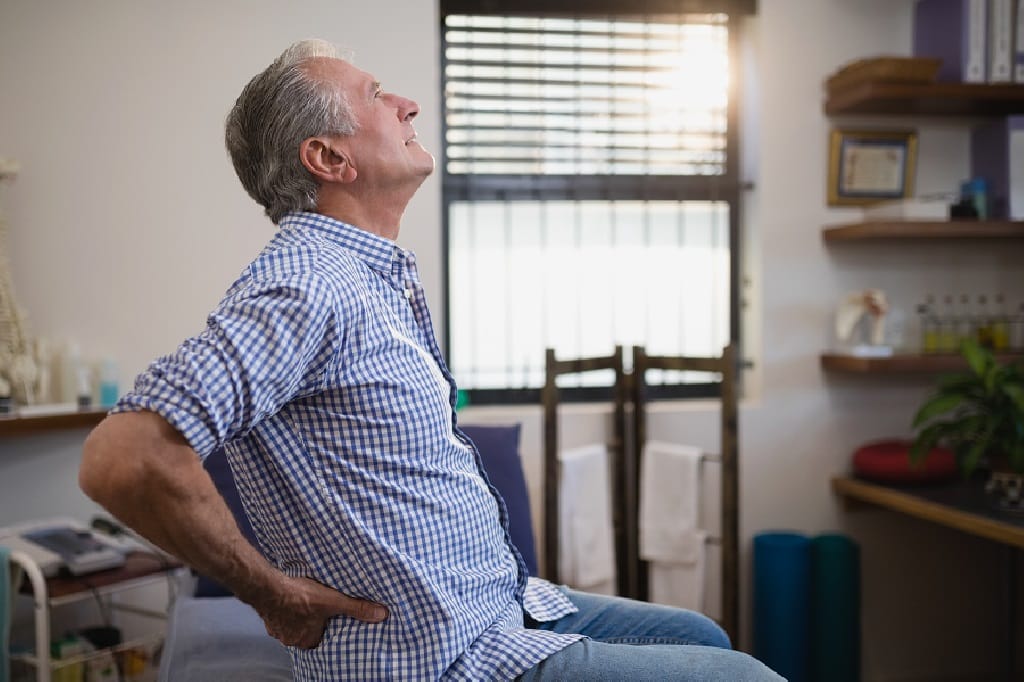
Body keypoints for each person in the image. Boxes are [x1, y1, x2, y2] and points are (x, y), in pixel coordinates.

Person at [79, 39, 782, 681]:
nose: (407, 103)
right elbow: (126, 458)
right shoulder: (305, 284)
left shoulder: (366, 276)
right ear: (329, 159)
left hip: (502, 607)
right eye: (376, 94)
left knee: (700, 636)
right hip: (441, 660)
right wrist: (274, 594)